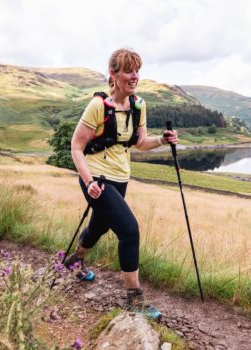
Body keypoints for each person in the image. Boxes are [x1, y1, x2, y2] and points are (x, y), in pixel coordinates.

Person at [68, 48, 178, 319]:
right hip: (97, 178)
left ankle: (75, 260)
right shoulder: (98, 106)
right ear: (114, 75)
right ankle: (134, 299)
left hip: (121, 178)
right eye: (129, 70)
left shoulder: (139, 106)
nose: (135, 76)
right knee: (129, 231)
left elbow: (140, 143)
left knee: (100, 225)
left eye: (137, 70)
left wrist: (163, 140)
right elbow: (76, 147)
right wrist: (89, 181)